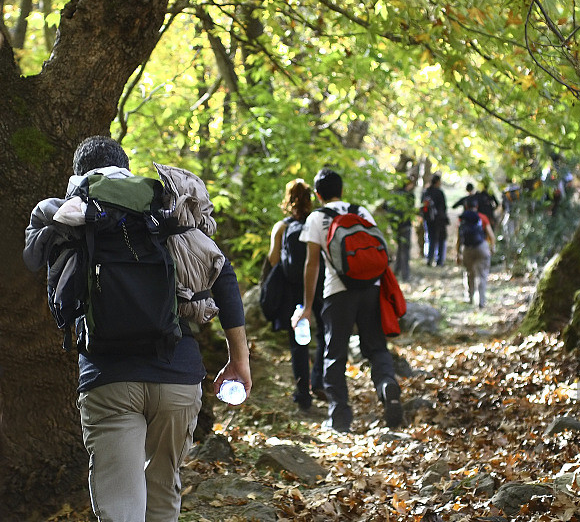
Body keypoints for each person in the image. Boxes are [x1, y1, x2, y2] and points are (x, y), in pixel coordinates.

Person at [23, 136, 252, 522]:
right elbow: (221, 275)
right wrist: (238, 359)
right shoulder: (163, 210)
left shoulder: (71, 213)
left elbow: (39, 267)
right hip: (177, 376)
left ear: (80, 174)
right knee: (163, 494)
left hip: (108, 381)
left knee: (121, 508)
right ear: (126, 168)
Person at [294, 167, 403, 433]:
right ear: (341, 190)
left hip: (338, 292)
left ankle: (340, 417)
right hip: (372, 289)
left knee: (335, 354)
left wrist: (308, 307)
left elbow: (312, 265)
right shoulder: (361, 211)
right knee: (376, 347)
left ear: (318, 194)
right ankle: (387, 384)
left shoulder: (316, 218)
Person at [266, 179, 326, 411]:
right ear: (310, 198)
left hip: (293, 290)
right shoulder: (317, 222)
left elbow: (273, 260)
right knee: (324, 333)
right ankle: (319, 380)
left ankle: (303, 394)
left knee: (298, 341)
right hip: (318, 285)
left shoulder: (281, 226)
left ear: (287, 198)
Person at [455, 197, 496, 308]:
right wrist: (492, 247)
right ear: (476, 207)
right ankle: (481, 302)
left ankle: (469, 298)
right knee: (481, 275)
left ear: (466, 206)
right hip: (481, 247)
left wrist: (458, 253)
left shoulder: (462, 219)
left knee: (469, 273)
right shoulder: (482, 218)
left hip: (467, 249)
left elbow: (459, 238)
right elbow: (491, 235)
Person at [381, 176, 417, 281]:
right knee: (404, 250)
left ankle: (396, 271)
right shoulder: (409, 196)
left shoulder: (392, 194)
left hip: (394, 226)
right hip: (405, 225)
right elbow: (411, 209)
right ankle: (405, 275)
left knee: (399, 248)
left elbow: (385, 207)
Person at [421, 173, 449, 266]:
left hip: (428, 220)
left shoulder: (426, 192)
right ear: (437, 182)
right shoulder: (439, 192)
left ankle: (429, 258)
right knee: (441, 240)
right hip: (439, 221)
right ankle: (439, 261)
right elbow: (444, 207)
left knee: (430, 238)